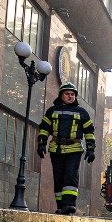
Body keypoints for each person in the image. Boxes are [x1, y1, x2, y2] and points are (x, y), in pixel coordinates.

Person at [37, 82, 96, 214]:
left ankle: (69, 204)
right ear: (61, 95)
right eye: (67, 94)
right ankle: (61, 206)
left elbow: (89, 132)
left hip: (74, 149)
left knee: (70, 175)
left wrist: (91, 149)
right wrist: (41, 143)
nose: (70, 96)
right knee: (58, 177)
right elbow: (44, 129)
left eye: (72, 94)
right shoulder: (52, 111)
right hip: (55, 149)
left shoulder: (82, 112)